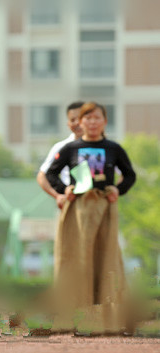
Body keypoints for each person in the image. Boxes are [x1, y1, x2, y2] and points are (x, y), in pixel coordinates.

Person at [45, 102, 136, 334]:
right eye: (88, 118)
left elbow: (129, 175)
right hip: (78, 209)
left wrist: (118, 189)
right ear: (80, 122)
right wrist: (63, 189)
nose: (93, 122)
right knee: (76, 258)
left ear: (105, 121)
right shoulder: (70, 148)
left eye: (97, 118)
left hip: (104, 208)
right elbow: (50, 172)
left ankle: (107, 319)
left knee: (106, 258)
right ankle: (72, 316)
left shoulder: (114, 148)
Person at [37, 101, 84, 208]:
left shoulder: (103, 146)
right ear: (68, 123)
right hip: (71, 201)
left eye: (80, 118)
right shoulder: (63, 147)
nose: (77, 123)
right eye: (72, 120)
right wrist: (57, 195)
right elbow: (42, 175)